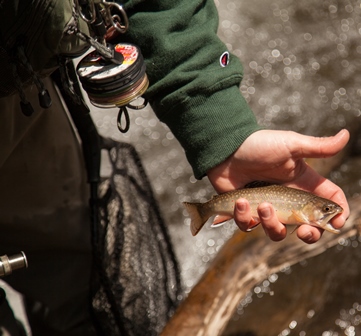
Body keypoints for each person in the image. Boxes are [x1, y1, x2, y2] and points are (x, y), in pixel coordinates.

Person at [0, 0, 349, 335]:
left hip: (21, 76)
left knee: (82, 273)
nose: (328, 213)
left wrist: (225, 135)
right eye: (326, 211)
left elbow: (155, 5)